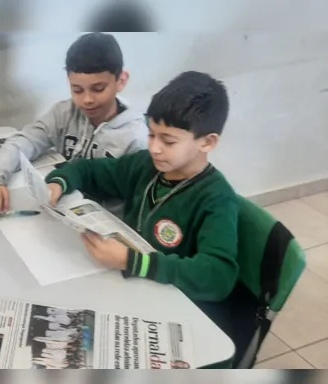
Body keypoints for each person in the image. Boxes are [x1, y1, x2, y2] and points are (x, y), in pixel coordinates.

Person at [44, 71, 238, 303]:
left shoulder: (216, 198)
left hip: (167, 298)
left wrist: (133, 261)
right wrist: (60, 181)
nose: (155, 147)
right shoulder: (145, 164)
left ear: (207, 142)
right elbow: (88, 170)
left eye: (168, 141)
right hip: (126, 284)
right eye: (151, 134)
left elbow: (218, 276)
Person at [0, 32, 148, 213]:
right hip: (58, 207)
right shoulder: (65, 112)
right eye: (77, 90)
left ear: (121, 81)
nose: (87, 100)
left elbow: (137, 202)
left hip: (103, 220)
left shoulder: (136, 137)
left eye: (98, 89)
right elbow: (25, 140)